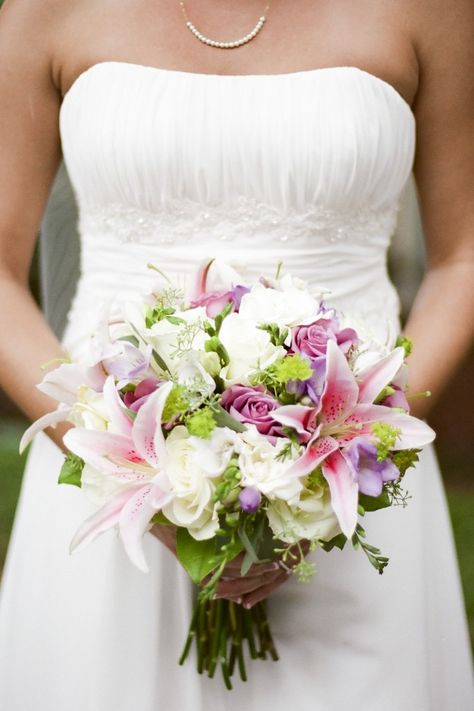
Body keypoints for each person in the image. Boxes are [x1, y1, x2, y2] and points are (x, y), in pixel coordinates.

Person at [0, 0, 473, 709]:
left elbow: (462, 257)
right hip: (110, 495)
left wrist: (348, 455)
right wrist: (128, 461)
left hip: (352, 498)